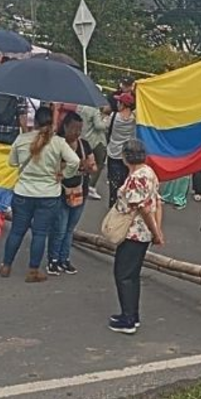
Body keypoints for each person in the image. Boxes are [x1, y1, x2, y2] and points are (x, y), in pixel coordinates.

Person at [0, 107, 80, 282]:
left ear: (35, 122)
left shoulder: (22, 139)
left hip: (23, 192)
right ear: (52, 123)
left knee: (16, 231)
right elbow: (75, 161)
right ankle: (33, 271)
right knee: (40, 233)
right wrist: (64, 174)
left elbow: (12, 163)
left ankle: (6, 265)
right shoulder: (58, 142)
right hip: (48, 194)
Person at [110, 139, 164, 334]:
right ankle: (132, 313)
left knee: (123, 274)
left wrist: (156, 232)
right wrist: (157, 229)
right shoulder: (149, 172)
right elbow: (157, 202)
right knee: (132, 275)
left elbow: (143, 209)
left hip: (133, 232)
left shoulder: (135, 179)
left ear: (126, 157)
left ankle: (128, 319)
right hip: (144, 232)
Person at [48, 112, 95, 276]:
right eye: (74, 128)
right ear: (66, 126)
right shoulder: (57, 143)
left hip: (80, 191)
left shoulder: (84, 145)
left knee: (69, 229)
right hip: (61, 191)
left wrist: (88, 167)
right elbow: (51, 165)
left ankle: (64, 258)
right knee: (59, 228)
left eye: (80, 129)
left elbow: (93, 165)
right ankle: (53, 259)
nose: (77, 132)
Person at [105, 93, 138, 207]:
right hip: (127, 153)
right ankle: (123, 203)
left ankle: (113, 203)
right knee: (125, 180)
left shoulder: (114, 116)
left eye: (119, 102)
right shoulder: (134, 118)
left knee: (114, 181)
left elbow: (106, 127)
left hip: (113, 152)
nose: (117, 104)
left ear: (123, 104)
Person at [77, 104, 110, 200]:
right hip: (96, 140)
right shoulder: (94, 110)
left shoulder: (81, 108)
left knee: (85, 162)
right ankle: (91, 186)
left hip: (84, 137)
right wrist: (106, 122)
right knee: (99, 163)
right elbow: (98, 125)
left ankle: (84, 183)